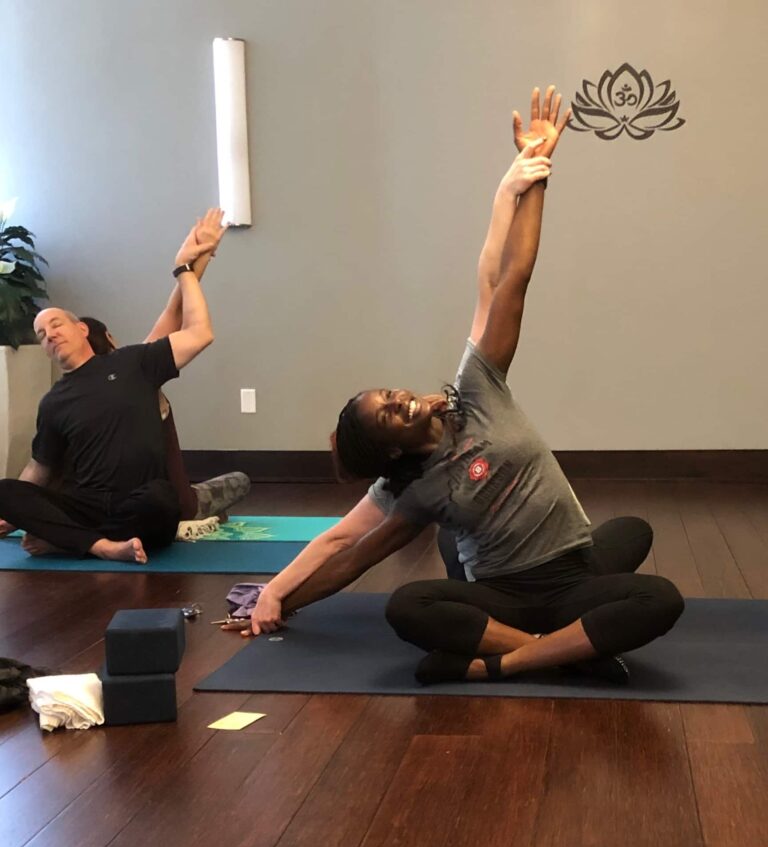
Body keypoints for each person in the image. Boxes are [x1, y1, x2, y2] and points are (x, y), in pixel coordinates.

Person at [224, 86, 684, 685]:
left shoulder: (476, 390)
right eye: (389, 413)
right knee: (409, 605)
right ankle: (567, 652)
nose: (400, 398)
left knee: (634, 536)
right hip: (504, 593)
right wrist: (278, 596)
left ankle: (507, 660)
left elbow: (507, 279)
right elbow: (345, 546)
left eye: (388, 393)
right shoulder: (413, 492)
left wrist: (536, 173)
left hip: (572, 572)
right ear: (391, 450)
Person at [0, 211, 220, 563]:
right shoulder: (54, 401)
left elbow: (188, 324)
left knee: (161, 500)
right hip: (87, 506)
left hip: (140, 502)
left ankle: (68, 541)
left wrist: (189, 266)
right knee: (6, 491)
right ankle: (102, 546)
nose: (49, 334)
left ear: (82, 329)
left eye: (55, 324)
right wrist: (13, 513)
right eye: (41, 334)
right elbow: (39, 468)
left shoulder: (133, 363)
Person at [77, 211, 250, 534]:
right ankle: (197, 517)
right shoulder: (137, 372)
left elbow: (175, 309)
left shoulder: (70, 393)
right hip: (170, 503)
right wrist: (191, 261)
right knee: (239, 481)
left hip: (101, 508)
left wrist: (193, 261)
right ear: (112, 340)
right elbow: (177, 312)